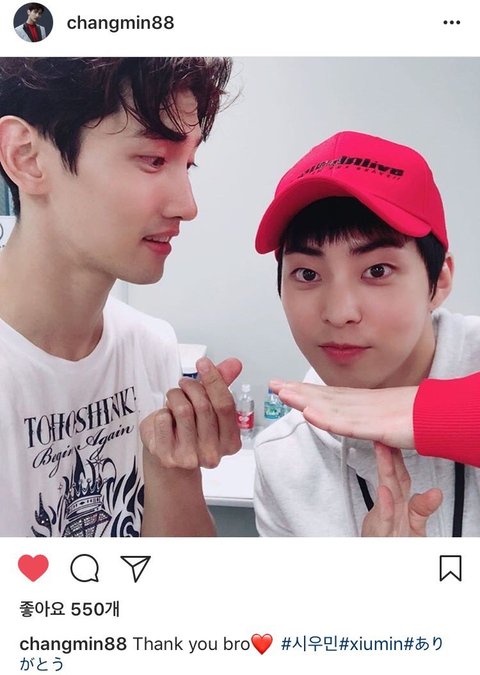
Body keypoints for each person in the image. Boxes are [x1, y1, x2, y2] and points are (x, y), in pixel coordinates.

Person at [0, 57, 241, 537]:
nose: (187, 206)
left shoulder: (151, 347)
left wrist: (173, 468)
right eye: (154, 160)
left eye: (187, 164)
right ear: (27, 157)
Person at [253, 130, 480, 537]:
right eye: (307, 274)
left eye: (377, 271)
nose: (340, 313)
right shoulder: (285, 460)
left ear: (439, 281)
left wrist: (435, 415)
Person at [269, 373, 480, 467]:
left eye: (377, 278)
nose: (341, 315)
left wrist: (451, 415)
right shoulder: (278, 453)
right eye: (308, 278)